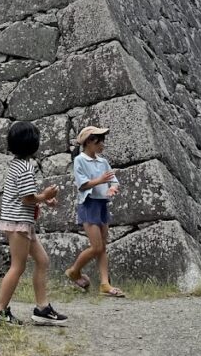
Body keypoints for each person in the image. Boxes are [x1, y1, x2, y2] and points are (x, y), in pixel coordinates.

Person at [0, 121, 69, 327]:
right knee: (18, 266)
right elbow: (27, 199)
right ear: (32, 144)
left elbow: (26, 195)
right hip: (18, 223)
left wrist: (44, 199)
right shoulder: (25, 167)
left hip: (22, 223)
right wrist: (46, 195)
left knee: (42, 261)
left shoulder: (17, 165)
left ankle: (42, 309)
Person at [65, 125, 125, 297]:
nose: (103, 145)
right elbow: (82, 184)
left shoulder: (103, 161)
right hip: (89, 204)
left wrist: (113, 187)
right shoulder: (80, 160)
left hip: (101, 204)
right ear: (90, 142)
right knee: (96, 247)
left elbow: (113, 180)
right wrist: (100, 180)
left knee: (102, 247)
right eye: (100, 141)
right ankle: (74, 271)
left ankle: (105, 284)